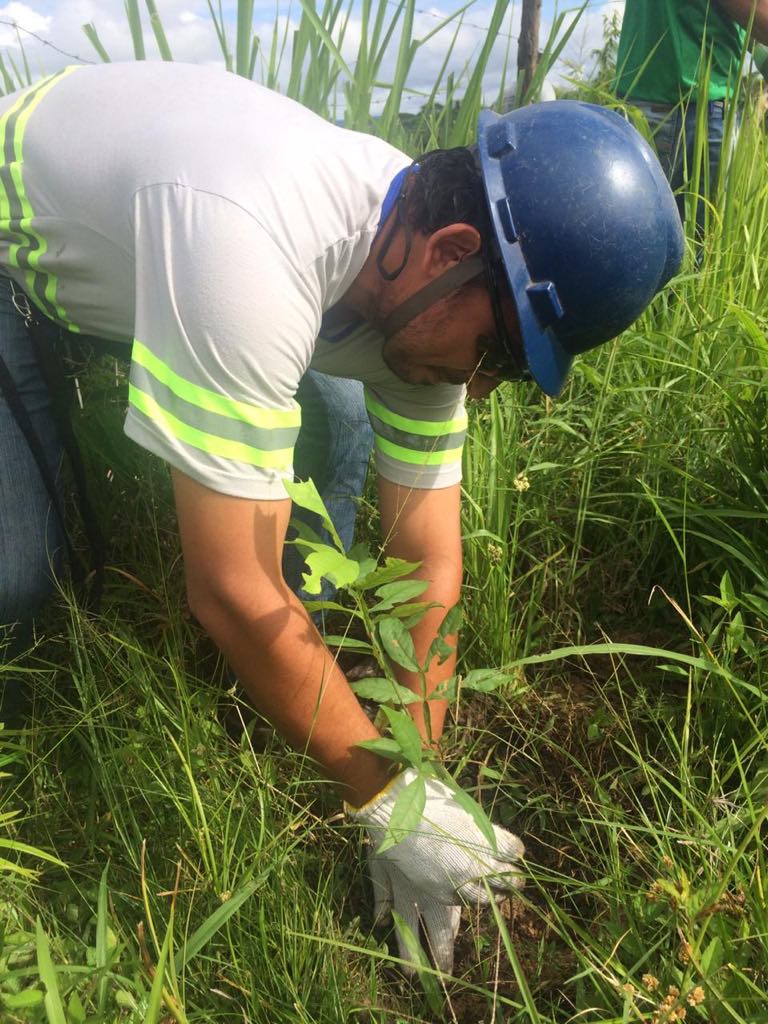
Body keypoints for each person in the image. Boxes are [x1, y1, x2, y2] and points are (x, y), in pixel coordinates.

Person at [0, 62, 683, 973]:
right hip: (24, 244)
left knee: (347, 430)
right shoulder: (251, 238)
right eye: (497, 352)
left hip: (162, 240)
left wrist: (417, 771)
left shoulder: (420, 271)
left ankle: (297, 689)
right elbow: (230, 589)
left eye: (509, 374)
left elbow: (426, 567)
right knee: (19, 578)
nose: (479, 386)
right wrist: (387, 807)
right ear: (450, 249)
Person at [614, 0, 768, 227]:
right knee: (700, 245)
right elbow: (755, 12)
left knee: (637, 238)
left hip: (638, 98)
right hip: (693, 110)